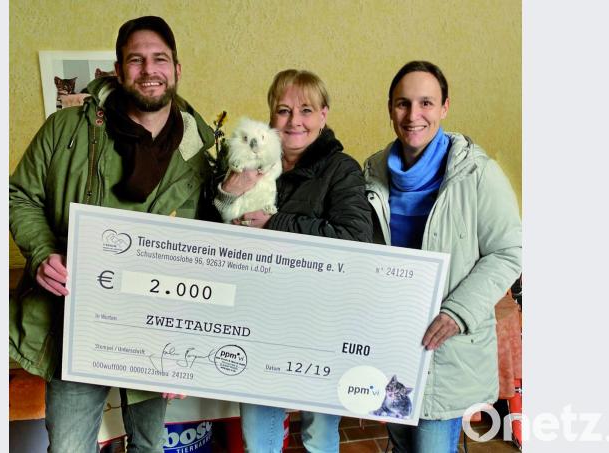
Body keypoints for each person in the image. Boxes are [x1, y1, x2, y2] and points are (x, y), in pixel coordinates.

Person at [9, 16, 216, 452]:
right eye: (135, 60)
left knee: (148, 445)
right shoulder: (65, 130)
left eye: (160, 59)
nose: (149, 69)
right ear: (119, 72)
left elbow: (211, 252)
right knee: (68, 447)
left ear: (177, 69)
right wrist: (43, 252)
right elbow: (19, 195)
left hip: (154, 329)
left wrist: (187, 345)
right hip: (76, 324)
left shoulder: (199, 154)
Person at [362, 61, 522, 452]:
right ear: (389, 108)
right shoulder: (371, 173)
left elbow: (510, 251)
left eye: (426, 103)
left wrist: (457, 312)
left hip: (448, 350)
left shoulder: (477, 174)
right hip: (395, 347)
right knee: (400, 445)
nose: (413, 115)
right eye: (403, 104)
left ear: (445, 107)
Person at [214, 69, 373, 452]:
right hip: (258, 318)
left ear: (323, 115)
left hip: (320, 319)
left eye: (306, 110)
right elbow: (213, 236)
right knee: (259, 432)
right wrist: (223, 194)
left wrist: (276, 224)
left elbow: (355, 238)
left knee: (319, 433)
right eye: (283, 111)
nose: (294, 121)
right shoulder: (247, 164)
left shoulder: (341, 169)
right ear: (270, 116)